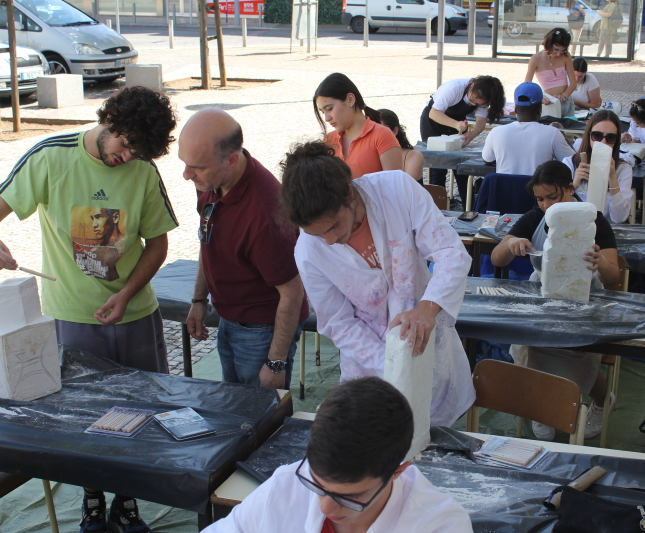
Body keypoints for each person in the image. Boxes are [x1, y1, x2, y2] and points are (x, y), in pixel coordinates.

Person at [0, 86, 179, 533]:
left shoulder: (143, 169)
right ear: (110, 116)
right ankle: (92, 500)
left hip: (136, 313)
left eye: (138, 151)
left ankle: (128, 499)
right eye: (124, 144)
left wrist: (127, 292)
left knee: (141, 411)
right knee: (83, 421)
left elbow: (158, 243)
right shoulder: (49, 157)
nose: (127, 157)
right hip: (72, 318)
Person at [280, 141, 475, 427]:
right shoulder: (309, 251)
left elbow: (450, 253)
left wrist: (427, 307)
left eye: (334, 226)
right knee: (379, 445)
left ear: (348, 193)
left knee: (433, 441)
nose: (330, 240)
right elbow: (339, 322)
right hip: (368, 367)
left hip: (430, 351)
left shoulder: (397, 190)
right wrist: (393, 366)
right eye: (319, 235)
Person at [202, 377, 472, 533]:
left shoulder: (440, 524)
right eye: (317, 484)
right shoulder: (286, 486)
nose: (326, 508)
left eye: (350, 497)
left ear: (397, 473)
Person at [181, 108, 309, 390]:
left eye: (197, 167)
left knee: (260, 415)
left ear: (231, 160)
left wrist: (276, 362)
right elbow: (207, 237)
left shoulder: (267, 213)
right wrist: (199, 300)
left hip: (263, 329)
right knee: (236, 405)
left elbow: (293, 292)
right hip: (229, 317)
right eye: (185, 163)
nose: (186, 174)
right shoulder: (211, 180)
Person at [490, 160, 618, 441]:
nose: (547, 205)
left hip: (586, 300)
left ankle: (600, 400)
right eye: (540, 199)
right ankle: (542, 406)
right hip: (542, 299)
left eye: (553, 196)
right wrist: (510, 245)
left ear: (571, 189)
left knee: (573, 354)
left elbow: (612, 276)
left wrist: (600, 262)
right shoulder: (536, 217)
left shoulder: (593, 221)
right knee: (531, 345)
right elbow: (496, 258)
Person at [419, 76, 505, 206]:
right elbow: (434, 113)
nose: (473, 104)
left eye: (477, 104)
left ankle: (469, 207)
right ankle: (437, 207)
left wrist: (473, 133)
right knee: (438, 168)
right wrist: (456, 125)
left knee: (462, 168)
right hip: (433, 123)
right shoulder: (453, 88)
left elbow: (481, 121)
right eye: (472, 99)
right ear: (472, 85)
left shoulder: (481, 97)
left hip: (456, 124)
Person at [315, 72, 402, 179]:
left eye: (329, 109)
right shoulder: (329, 139)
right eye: (323, 112)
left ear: (350, 99)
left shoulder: (381, 135)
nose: (327, 118)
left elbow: (395, 188)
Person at [482, 82, 575, 176]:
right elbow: (574, 162)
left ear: (515, 109)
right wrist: (562, 134)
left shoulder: (496, 132)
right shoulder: (552, 133)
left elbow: (487, 160)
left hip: (506, 190)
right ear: (539, 109)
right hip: (536, 190)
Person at [563, 110, 633, 224]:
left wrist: (613, 178)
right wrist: (574, 184)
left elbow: (620, 218)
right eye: (597, 136)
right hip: (575, 226)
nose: (603, 142)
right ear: (588, 135)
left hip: (607, 230)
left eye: (610, 138)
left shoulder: (623, 169)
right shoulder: (570, 163)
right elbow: (559, 208)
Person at [524, 28, 577, 118]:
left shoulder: (566, 56)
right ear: (549, 44)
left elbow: (573, 83)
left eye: (562, 50)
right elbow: (526, 85)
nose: (558, 54)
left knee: (569, 130)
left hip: (566, 101)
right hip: (549, 103)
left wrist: (564, 95)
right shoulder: (536, 59)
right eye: (556, 49)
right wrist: (540, 97)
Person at [378, 108, 424, 182]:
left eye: (379, 130)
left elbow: (406, 186)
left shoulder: (413, 155)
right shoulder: (371, 155)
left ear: (394, 131)